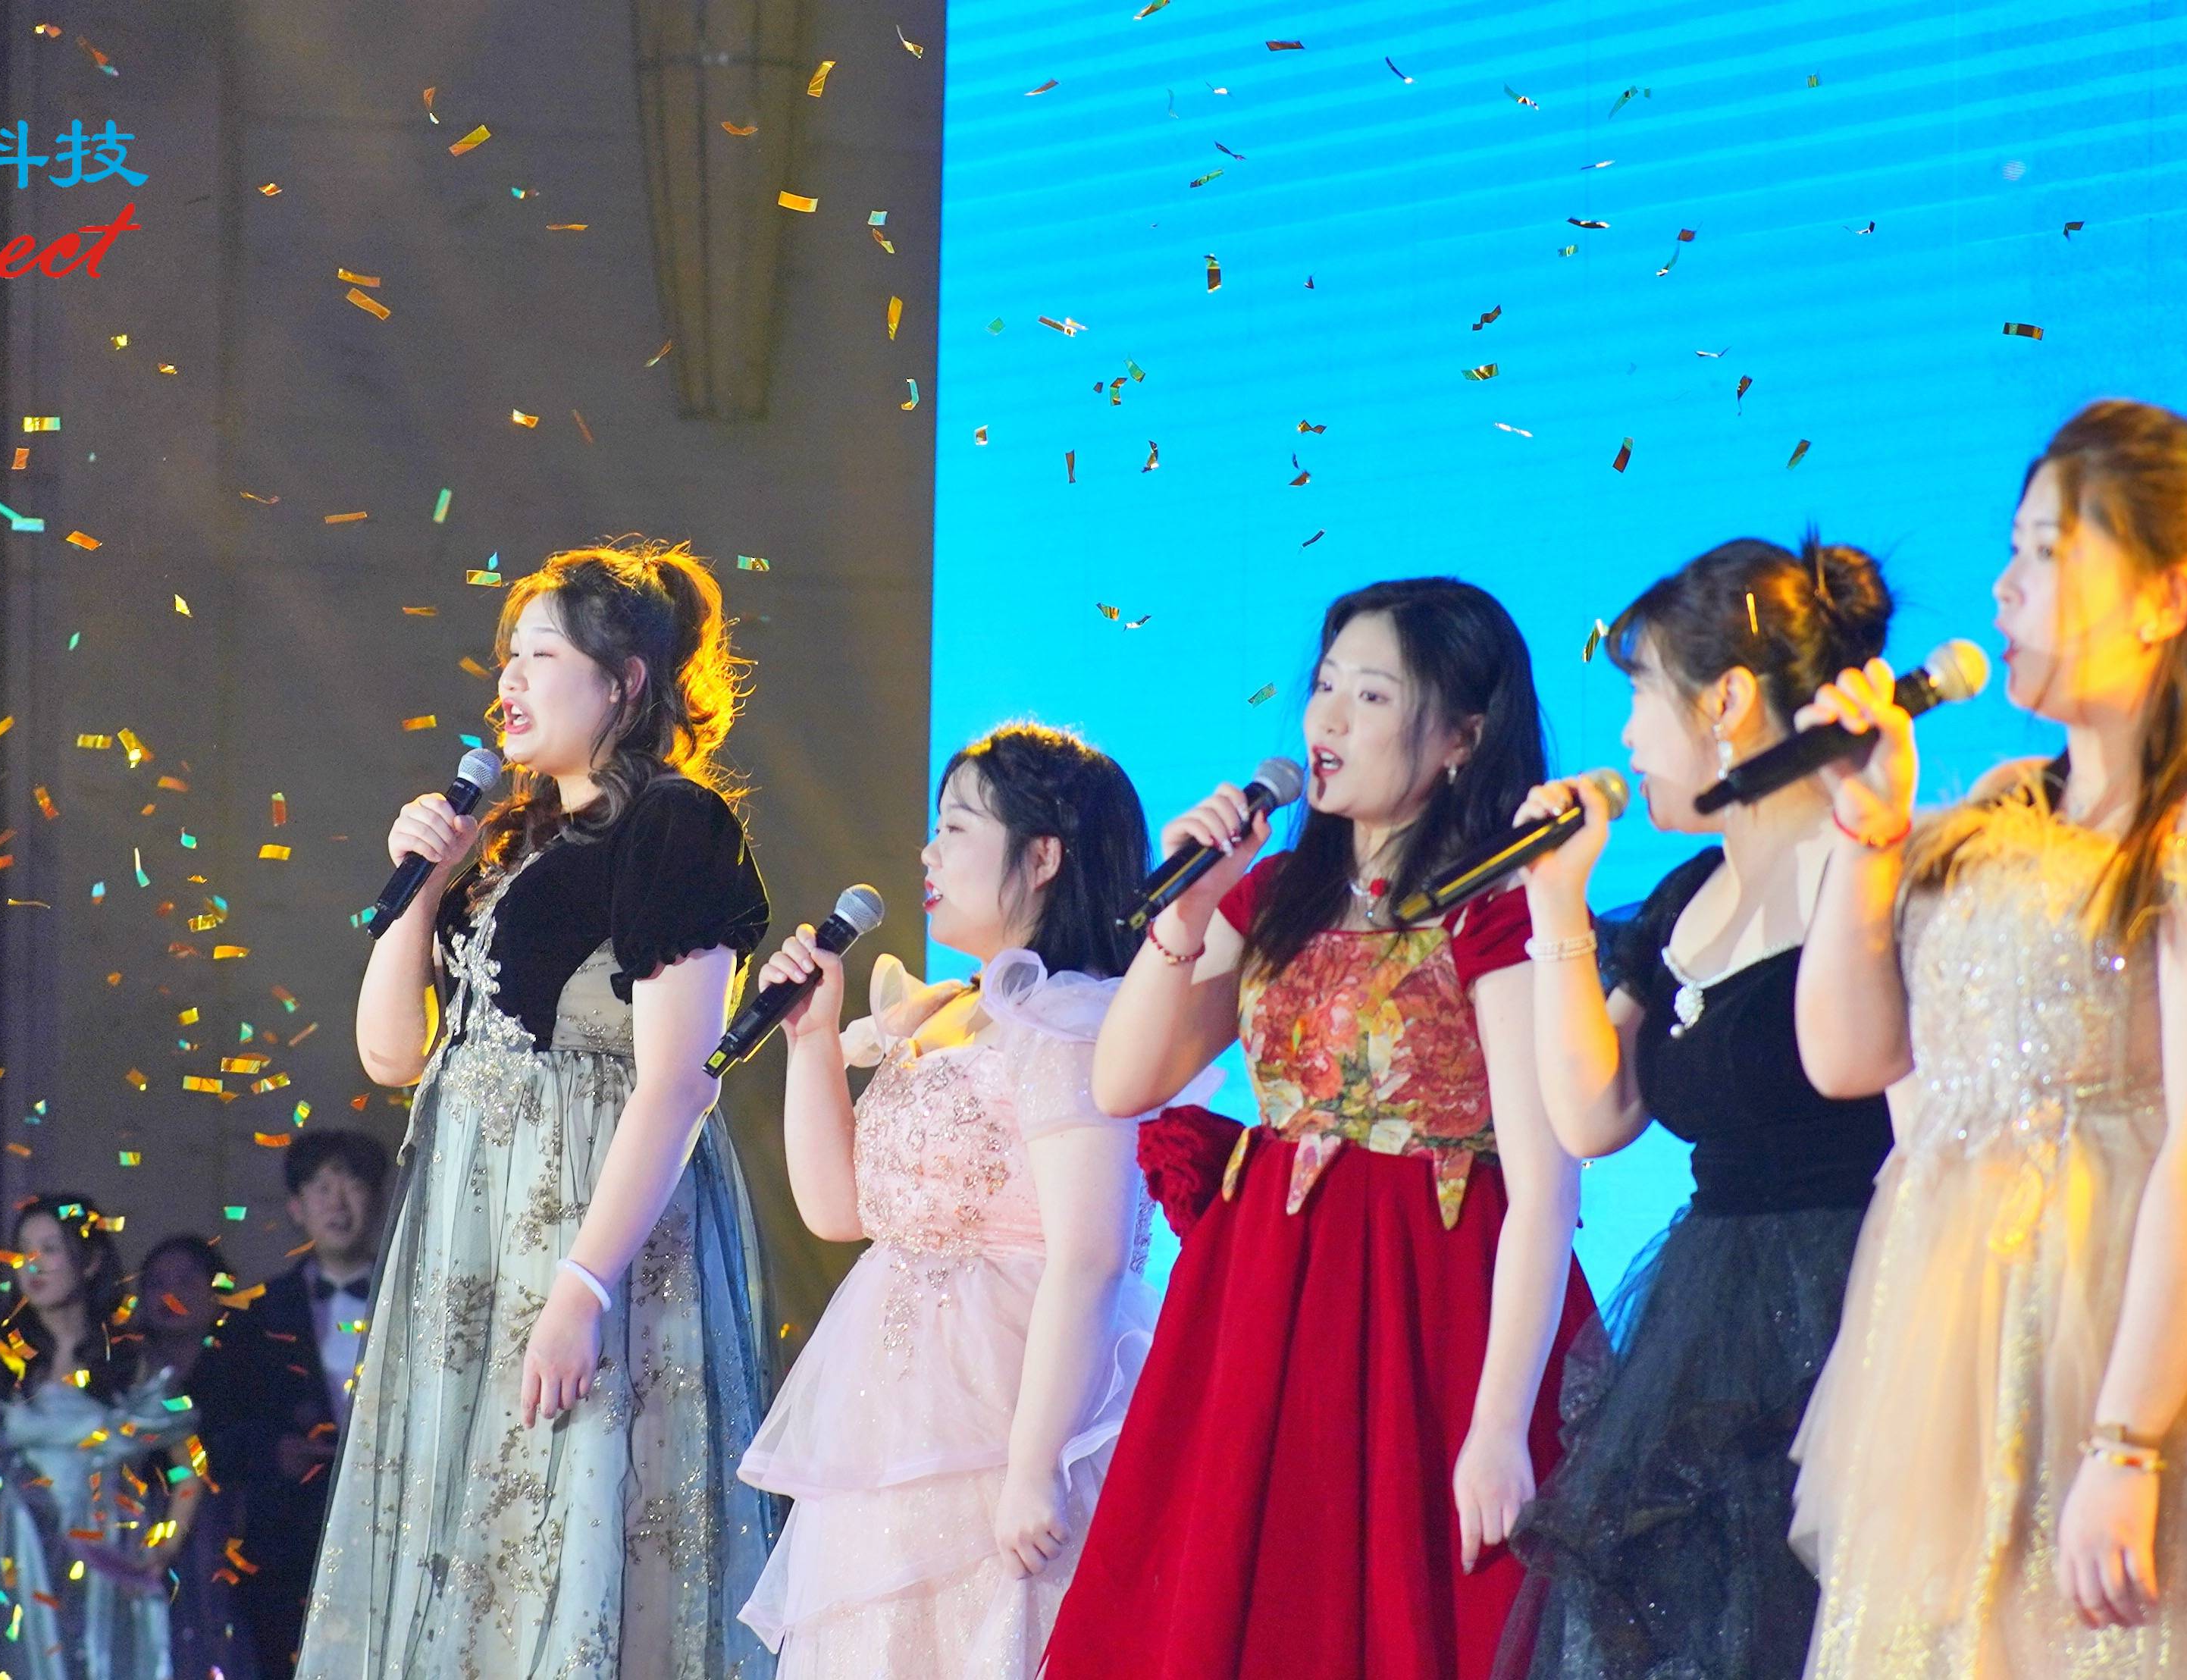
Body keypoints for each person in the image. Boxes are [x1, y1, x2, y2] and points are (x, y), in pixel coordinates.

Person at [1787, 400, 2187, 1676]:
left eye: (2048, 553)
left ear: (2167, 598)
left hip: (2133, 1357)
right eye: (2011, 550)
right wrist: (1870, 837)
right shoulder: (2005, 806)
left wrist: (2128, 1444)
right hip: (1954, 1362)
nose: (2003, 587)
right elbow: (1848, 1059)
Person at [1044, 578, 1596, 1680]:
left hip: (1430, 1299)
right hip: (1264, 1299)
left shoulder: (1495, 907)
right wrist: (1183, 916)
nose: (1328, 719)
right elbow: (1123, 1080)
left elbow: (1545, 1189)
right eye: (1326, 685)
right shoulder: (1278, 893)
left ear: (1462, 737)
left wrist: (1498, 1425)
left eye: (1372, 695)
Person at [299, 540, 779, 1679]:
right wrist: (425, 886)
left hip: (589, 1230)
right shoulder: (515, 838)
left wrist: (583, 1283)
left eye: (542, 656)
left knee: (585, 1529)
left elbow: (679, 1080)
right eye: (508, 656)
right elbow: (392, 1052)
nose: (509, 681)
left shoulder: (675, 822)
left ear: (625, 682)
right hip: (475, 1241)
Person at [1499, 534, 1899, 1678]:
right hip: (1710, 1324)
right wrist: (1556, 902)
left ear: (1726, 700)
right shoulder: (1685, 898)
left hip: (1858, 1300)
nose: (1626, 735)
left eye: (1642, 693)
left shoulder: (1873, 867)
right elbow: (1594, 1114)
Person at [737, 722, 1207, 1676]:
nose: (928, 852)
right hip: (890, 1411)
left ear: (1043, 855)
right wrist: (812, 1040)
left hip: (1012, 1407)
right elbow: (841, 1212)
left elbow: (1089, 1254)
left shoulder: (1077, 1021)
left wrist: (1036, 1463)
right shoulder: (945, 1011)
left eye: (956, 827)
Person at [0, 1194, 205, 1680]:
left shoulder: (127, 1360)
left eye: (51, 1249)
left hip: (100, 1547)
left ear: (90, 1262)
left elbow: (189, 1466)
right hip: (17, 1552)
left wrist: (164, 1547)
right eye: (24, 1252)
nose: (33, 1265)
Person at [196, 1131, 390, 1680]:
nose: (338, 1202)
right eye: (321, 1188)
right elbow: (215, 1433)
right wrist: (273, 1451)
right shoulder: (257, 1315)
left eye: (352, 1184)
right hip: (287, 1544)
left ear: (378, 1200)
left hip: (391, 1527)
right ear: (297, 1208)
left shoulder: (412, 1299)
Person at [133, 1236, 260, 1680]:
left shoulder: (245, 1361)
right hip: (140, 1526)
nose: (170, 1295)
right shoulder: (123, 1366)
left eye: (186, 1281)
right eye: (157, 1284)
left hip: (227, 1530)